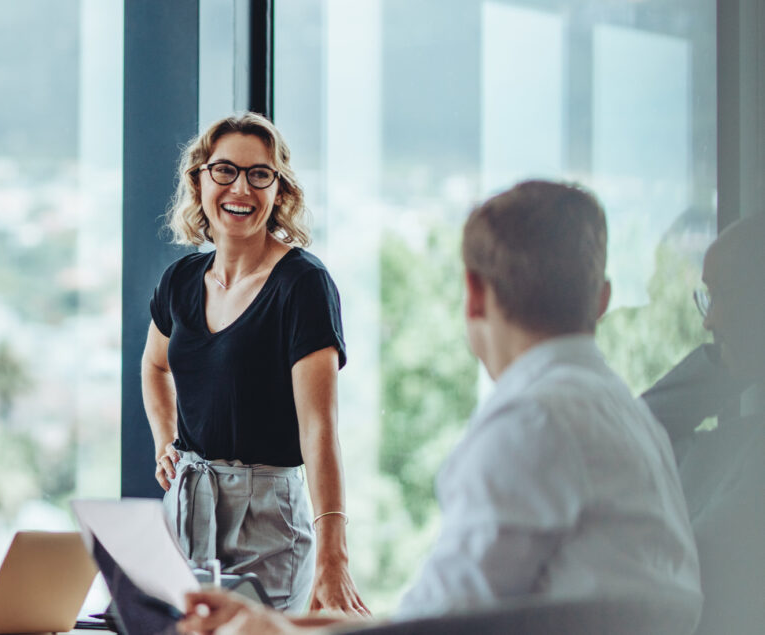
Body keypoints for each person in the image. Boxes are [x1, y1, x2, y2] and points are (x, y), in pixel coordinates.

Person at [176, 181, 702, 635]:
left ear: (473, 294)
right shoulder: (627, 416)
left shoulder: (531, 424)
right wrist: (280, 623)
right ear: (602, 299)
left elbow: (436, 632)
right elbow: (442, 617)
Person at [141, 112, 365, 613]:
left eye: (259, 174)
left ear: (279, 190)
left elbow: (319, 428)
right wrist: (164, 442)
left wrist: (335, 555)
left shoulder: (303, 285)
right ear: (199, 180)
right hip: (185, 505)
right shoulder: (179, 280)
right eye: (224, 170)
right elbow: (155, 367)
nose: (240, 187)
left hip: (267, 518)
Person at [641, 212, 765, 635]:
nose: (708, 321)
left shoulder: (748, 459)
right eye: (706, 299)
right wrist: (728, 364)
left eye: (723, 296)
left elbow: (692, 568)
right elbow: (635, 438)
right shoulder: (738, 442)